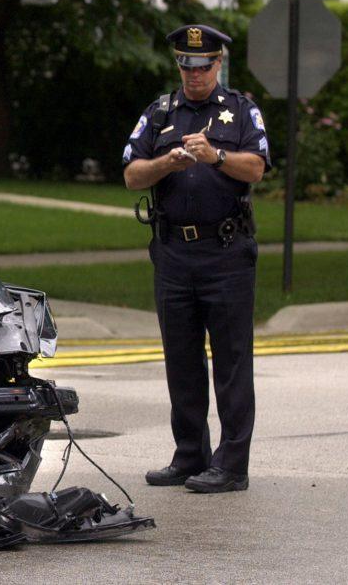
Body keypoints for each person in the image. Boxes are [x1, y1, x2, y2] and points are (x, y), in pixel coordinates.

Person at [122, 24, 271, 493]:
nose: (194, 75)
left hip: (225, 252)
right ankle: (190, 455)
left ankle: (231, 465)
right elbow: (131, 174)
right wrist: (166, 162)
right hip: (173, 253)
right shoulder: (161, 112)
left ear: (218, 64)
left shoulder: (240, 111)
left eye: (203, 66)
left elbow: (258, 168)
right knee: (181, 360)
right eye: (186, 66)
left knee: (230, 360)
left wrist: (215, 157)